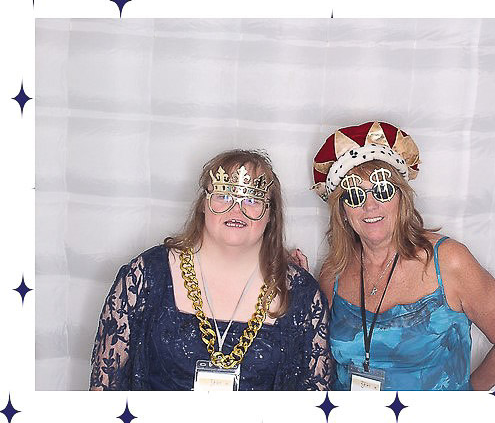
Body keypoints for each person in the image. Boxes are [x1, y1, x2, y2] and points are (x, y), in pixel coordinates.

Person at [312, 119, 495, 392]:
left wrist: (465, 400)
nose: (370, 205)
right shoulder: (334, 271)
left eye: (383, 190)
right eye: (355, 195)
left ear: (402, 198)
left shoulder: (449, 262)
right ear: (342, 211)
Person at [90, 148, 331, 391]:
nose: (236, 210)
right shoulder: (146, 277)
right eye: (224, 195)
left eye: (252, 199)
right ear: (203, 205)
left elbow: (312, 400)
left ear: (271, 214)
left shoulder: (301, 293)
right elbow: (104, 390)